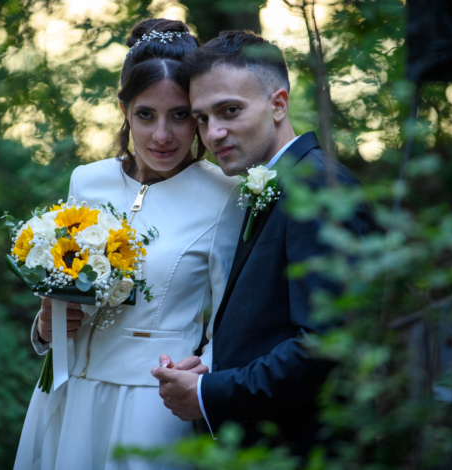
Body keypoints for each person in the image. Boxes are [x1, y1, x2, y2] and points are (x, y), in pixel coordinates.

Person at [13, 19, 244, 469]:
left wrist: (201, 378)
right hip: (68, 393)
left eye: (180, 115)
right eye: (146, 115)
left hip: (152, 403)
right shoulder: (88, 180)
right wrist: (46, 326)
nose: (163, 135)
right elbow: (67, 287)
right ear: (124, 109)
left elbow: (230, 320)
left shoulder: (223, 195)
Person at [151, 31, 376, 454]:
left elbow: (325, 346)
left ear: (278, 104)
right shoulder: (271, 185)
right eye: (202, 118)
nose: (213, 133)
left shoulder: (318, 187)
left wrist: (209, 394)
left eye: (230, 110)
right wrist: (210, 369)